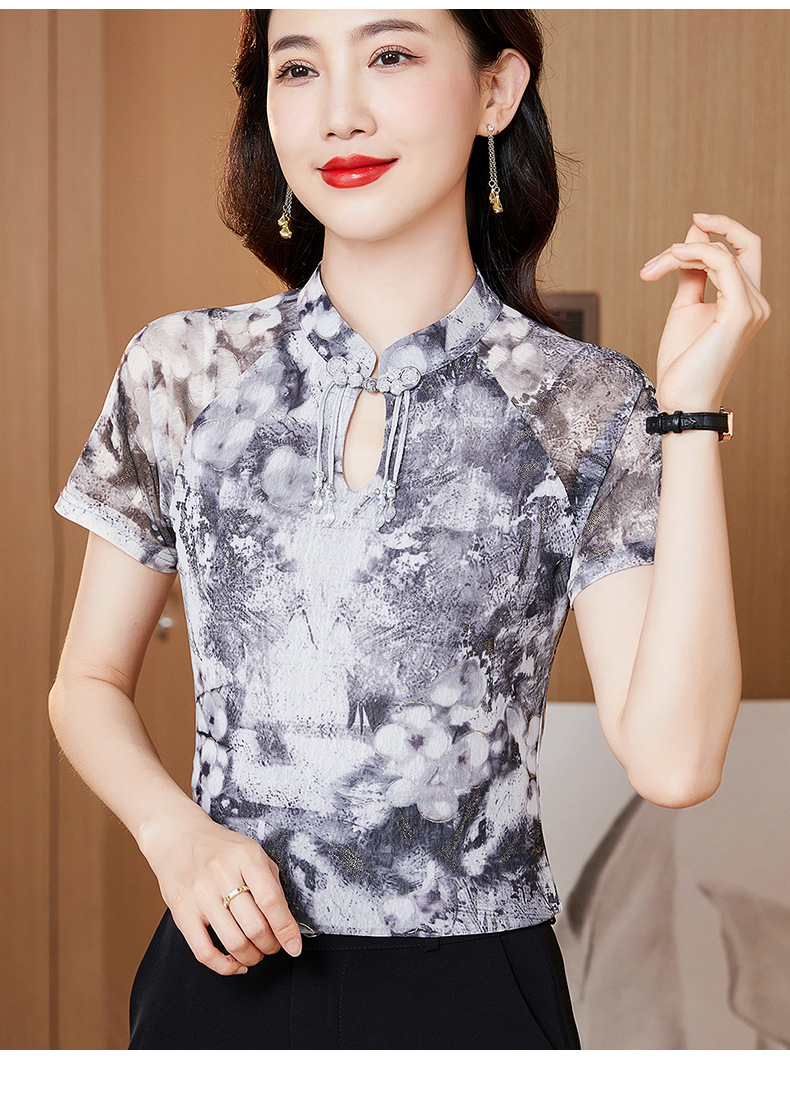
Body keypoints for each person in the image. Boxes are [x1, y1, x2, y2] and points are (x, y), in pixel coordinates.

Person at [47, 9, 770, 1051]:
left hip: (480, 995)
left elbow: (676, 761)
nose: (339, 114)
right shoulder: (180, 369)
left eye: (389, 55)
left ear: (496, 91)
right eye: (298, 69)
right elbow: (84, 682)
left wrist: (689, 414)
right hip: (221, 976)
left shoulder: (585, 401)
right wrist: (176, 839)